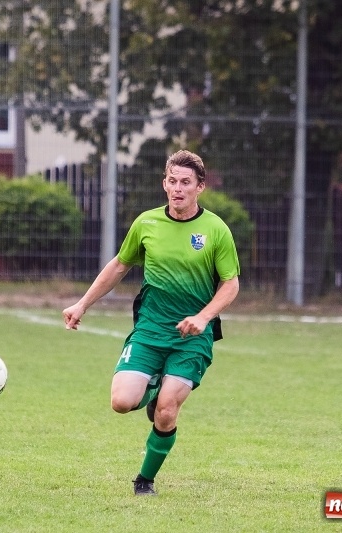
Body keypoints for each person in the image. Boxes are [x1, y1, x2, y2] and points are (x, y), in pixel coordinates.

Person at [62, 149, 240, 496]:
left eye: (185, 182)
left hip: (192, 336)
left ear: (199, 187)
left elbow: (231, 283)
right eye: (172, 181)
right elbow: (118, 265)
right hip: (150, 328)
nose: (177, 188)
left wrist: (203, 317)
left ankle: (144, 480)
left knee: (167, 412)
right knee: (122, 402)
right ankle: (154, 388)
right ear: (164, 183)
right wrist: (82, 304)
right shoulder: (146, 224)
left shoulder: (215, 230)